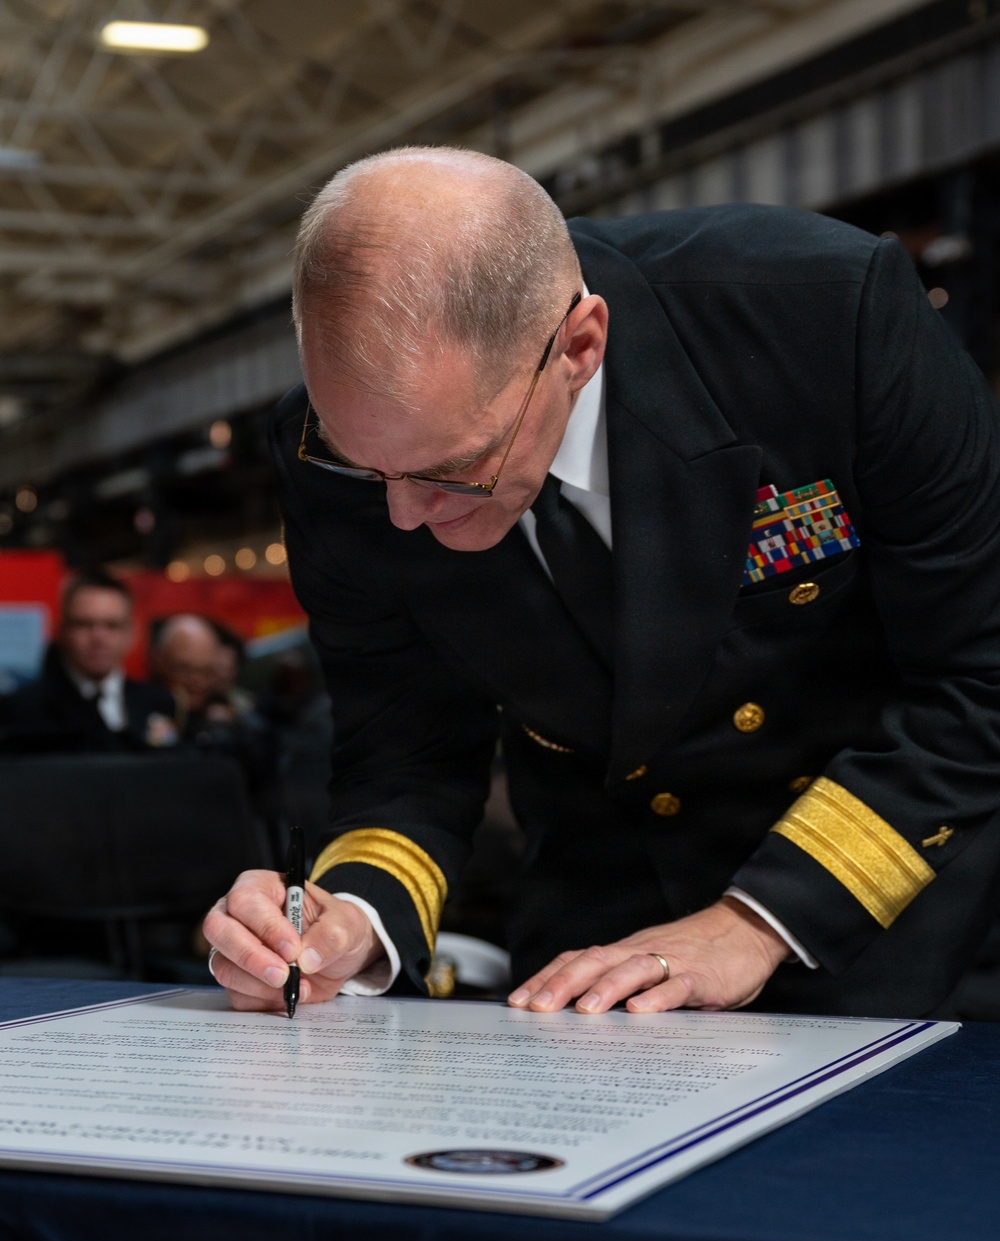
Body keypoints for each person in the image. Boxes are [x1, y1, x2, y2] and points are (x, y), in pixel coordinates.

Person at [204, 147, 1000, 1022]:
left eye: (456, 470)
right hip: (593, 932)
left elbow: (981, 678)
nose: (402, 516)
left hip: (889, 896)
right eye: (366, 470)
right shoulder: (327, 443)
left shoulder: (820, 315)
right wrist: (348, 917)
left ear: (579, 345)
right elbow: (405, 746)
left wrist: (753, 923)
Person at [0, 570, 177, 752]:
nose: (99, 638)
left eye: (112, 625)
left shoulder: (160, 703)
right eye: (84, 624)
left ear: (132, 633)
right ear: (61, 631)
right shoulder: (23, 710)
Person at [151, 614, 274, 795]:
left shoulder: (236, 718)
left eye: (206, 672)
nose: (196, 681)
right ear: (160, 661)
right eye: (184, 669)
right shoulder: (139, 708)